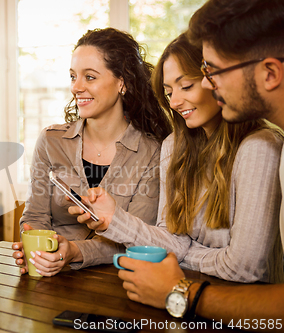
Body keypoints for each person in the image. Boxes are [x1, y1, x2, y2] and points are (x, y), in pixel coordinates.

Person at [93, 0, 284, 325]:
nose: (176, 100)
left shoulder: (261, 146)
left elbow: (245, 267)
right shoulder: (175, 146)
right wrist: (114, 219)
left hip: (240, 308)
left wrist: (179, 267)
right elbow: (173, 237)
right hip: (197, 301)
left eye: (189, 83)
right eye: (168, 91)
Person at [12, 27, 172, 276]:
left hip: (119, 281)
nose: (76, 87)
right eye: (73, 76)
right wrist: (36, 246)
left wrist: (75, 251)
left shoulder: (152, 152)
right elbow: (35, 216)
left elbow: (139, 237)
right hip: (53, 277)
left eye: (90, 77)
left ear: (123, 82)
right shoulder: (50, 141)